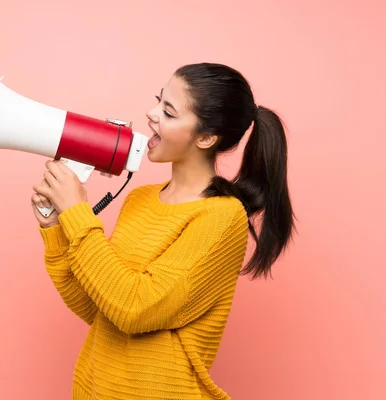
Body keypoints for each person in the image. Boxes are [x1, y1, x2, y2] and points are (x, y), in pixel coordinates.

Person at [31, 62, 295, 400]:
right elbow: (100, 308)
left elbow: (135, 309)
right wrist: (55, 226)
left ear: (206, 137)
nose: (151, 114)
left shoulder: (222, 217)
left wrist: (77, 212)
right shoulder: (140, 199)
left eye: (168, 112)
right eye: (158, 101)